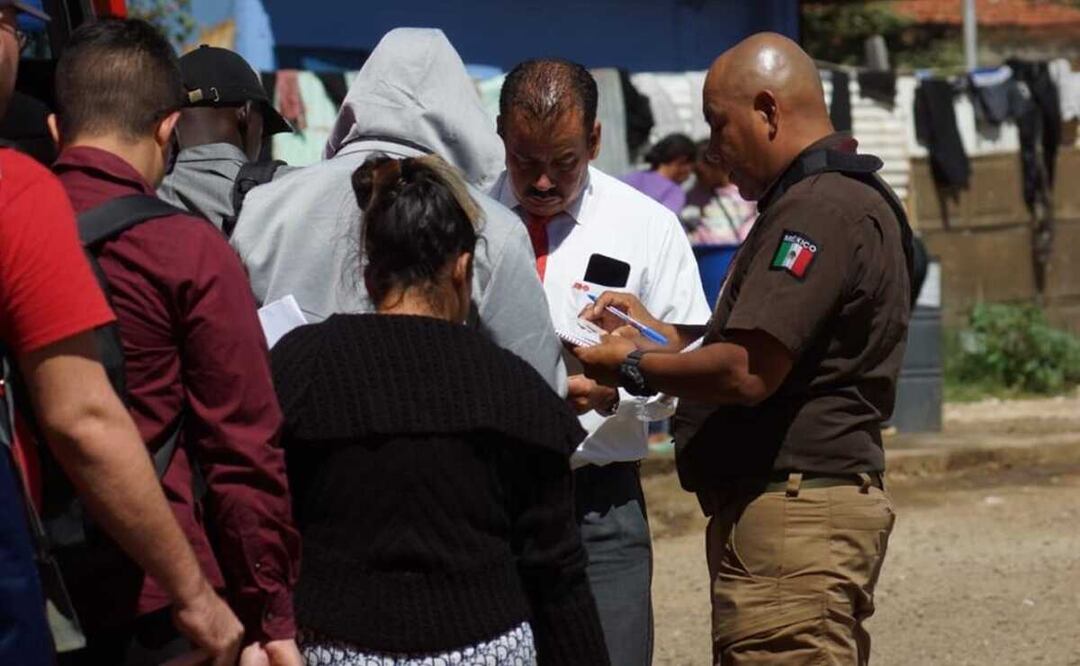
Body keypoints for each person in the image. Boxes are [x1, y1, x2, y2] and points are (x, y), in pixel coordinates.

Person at [574, 33, 913, 665]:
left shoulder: (819, 210)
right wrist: (660, 335)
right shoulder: (822, 200)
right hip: (793, 513)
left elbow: (748, 371)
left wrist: (628, 365)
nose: (712, 148)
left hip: (795, 517)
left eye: (718, 124)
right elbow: (764, 347)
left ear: (768, 111)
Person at [271, 154, 609, 666]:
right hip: (486, 651)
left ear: (368, 274)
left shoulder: (300, 369)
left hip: (331, 649)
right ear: (462, 268)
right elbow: (556, 572)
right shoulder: (516, 392)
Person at [47, 19, 301, 665]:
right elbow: (242, 448)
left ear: (56, 127)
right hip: (162, 600)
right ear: (167, 130)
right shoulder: (186, 249)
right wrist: (270, 617)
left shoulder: (17, 227)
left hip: (30, 582)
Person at [0, 5, 244, 666]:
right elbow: (87, 418)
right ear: (170, 130)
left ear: (56, 128)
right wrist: (210, 596)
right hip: (141, 588)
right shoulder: (22, 199)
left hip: (59, 566)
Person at [491, 59, 710, 666]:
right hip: (484, 503)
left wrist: (615, 393)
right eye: (523, 161)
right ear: (500, 137)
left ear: (594, 140)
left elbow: (687, 366)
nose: (540, 183)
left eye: (563, 162)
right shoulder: (464, 218)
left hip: (601, 505)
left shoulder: (647, 227)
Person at [231, 28, 567, 395]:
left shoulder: (266, 205)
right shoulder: (488, 225)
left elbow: (229, 354)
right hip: (437, 445)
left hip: (287, 441)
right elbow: (538, 386)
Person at [158, 44, 294, 232]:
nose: (262, 141)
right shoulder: (290, 190)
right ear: (245, 112)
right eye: (264, 131)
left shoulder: (140, 193)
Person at [682, 139, 757, 245]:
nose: (697, 178)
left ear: (718, 166)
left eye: (700, 173)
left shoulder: (745, 194)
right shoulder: (692, 197)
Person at [621, 132, 697, 214]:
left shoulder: (634, 177)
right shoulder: (674, 192)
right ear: (681, 161)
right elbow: (663, 221)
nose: (690, 170)